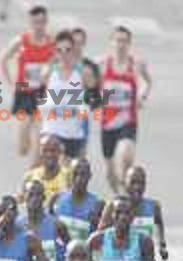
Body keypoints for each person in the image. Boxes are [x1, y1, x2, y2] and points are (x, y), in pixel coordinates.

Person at [99, 26, 152, 194]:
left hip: (128, 122)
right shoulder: (102, 64)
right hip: (107, 123)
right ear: (111, 42)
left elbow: (147, 82)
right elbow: (90, 85)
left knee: (124, 156)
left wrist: (142, 96)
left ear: (129, 43)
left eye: (124, 41)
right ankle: (118, 195)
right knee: (110, 170)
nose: (120, 44)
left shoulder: (136, 64)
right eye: (117, 40)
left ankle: (127, 197)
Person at [0, 4, 54, 165]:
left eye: (42, 22)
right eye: (35, 22)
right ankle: (28, 151)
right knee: (23, 145)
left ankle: (34, 169)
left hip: (43, 93)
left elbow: (60, 64)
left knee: (39, 139)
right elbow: (3, 59)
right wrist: (10, 84)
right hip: (24, 92)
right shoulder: (21, 40)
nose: (39, 26)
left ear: (46, 22)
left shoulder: (52, 43)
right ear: (30, 23)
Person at [39, 30, 95, 160]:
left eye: (68, 50)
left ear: (74, 50)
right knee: (57, 167)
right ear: (54, 51)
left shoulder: (84, 73)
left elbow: (95, 97)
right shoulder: (47, 73)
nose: (64, 54)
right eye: (59, 50)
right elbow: (40, 98)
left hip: (74, 133)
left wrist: (85, 107)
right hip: (52, 130)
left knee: (72, 175)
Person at [99, 165, 168, 260]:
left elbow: (159, 223)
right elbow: (100, 233)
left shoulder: (153, 206)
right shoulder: (113, 206)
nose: (137, 187)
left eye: (141, 183)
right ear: (125, 182)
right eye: (133, 182)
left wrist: (162, 245)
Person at [52, 158, 104, 242]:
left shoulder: (98, 205)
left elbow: (101, 237)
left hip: (84, 253)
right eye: (75, 174)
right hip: (59, 254)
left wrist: (96, 223)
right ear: (69, 175)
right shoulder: (56, 199)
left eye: (83, 174)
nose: (78, 179)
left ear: (89, 176)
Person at [72, 27, 102, 157]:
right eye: (74, 42)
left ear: (84, 43)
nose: (77, 46)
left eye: (80, 43)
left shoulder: (90, 66)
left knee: (80, 153)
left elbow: (96, 92)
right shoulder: (58, 64)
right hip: (59, 114)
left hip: (81, 113)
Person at [23, 134, 71, 200]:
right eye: (45, 150)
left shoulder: (68, 175)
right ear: (40, 153)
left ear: (60, 152)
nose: (49, 154)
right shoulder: (30, 175)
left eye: (53, 150)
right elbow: (23, 197)